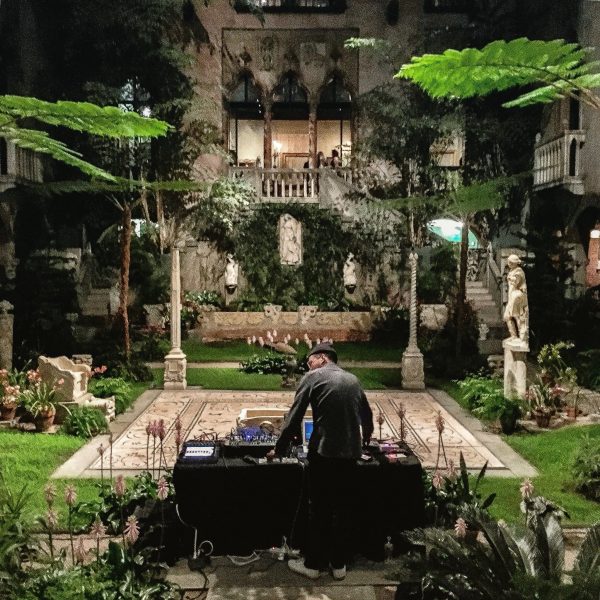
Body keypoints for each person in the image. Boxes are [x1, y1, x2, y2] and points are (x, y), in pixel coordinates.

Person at [267, 342, 374, 581]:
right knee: (343, 508)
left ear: (323, 358)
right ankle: (338, 565)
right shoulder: (352, 380)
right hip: (350, 453)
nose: (307, 364)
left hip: (324, 453)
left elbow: (294, 417)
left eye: (310, 360)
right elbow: (366, 415)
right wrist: (366, 438)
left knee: (320, 509)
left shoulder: (312, 377)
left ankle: (314, 565)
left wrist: (279, 449)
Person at [503, 254, 529, 343]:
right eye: (508, 262)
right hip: (512, 296)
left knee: (517, 316)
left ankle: (522, 337)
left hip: (517, 296)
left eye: (510, 262)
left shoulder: (519, 272)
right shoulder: (512, 271)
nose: (509, 264)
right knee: (507, 316)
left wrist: (510, 278)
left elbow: (515, 283)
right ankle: (513, 336)